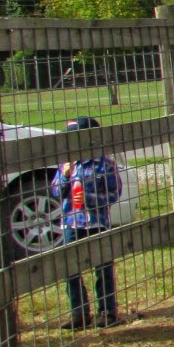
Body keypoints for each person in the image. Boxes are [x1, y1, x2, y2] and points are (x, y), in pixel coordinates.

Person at [50, 116, 122, 329]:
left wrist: (90, 198)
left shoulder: (105, 165)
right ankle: (79, 312)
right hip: (72, 223)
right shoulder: (68, 164)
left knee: (103, 268)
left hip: (97, 223)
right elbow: (56, 192)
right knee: (71, 268)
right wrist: (64, 176)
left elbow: (114, 193)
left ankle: (107, 311)